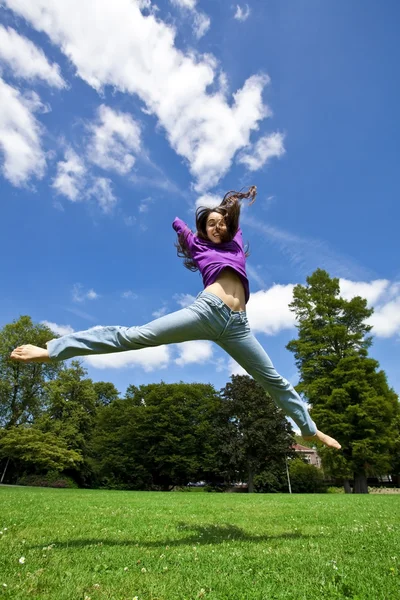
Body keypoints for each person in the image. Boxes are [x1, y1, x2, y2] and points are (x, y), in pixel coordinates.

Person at [10, 186, 341, 449]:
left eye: (221, 222)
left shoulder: (236, 245)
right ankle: (54, 350)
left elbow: (230, 214)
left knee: (273, 380)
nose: (217, 226)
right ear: (203, 230)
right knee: (134, 336)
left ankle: (308, 429)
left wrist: (234, 200)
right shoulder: (199, 247)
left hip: (238, 327)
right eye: (210, 223)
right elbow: (182, 228)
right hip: (206, 312)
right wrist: (181, 224)